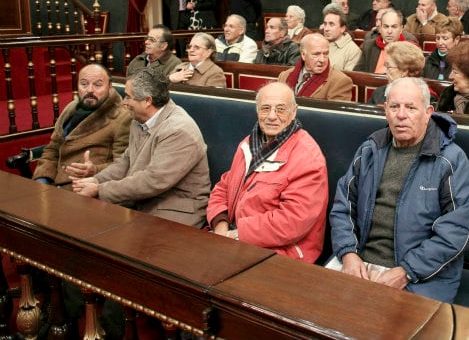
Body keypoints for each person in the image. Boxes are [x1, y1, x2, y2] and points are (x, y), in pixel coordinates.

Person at [329, 77, 469, 303]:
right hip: (357, 262)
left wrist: (406, 271)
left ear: (428, 112)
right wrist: (348, 254)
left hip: (421, 275)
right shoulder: (370, 150)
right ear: (385, 110)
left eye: (410, 107)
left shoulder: (451, 161)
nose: (401, 115)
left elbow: (457, 231)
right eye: (394, 107)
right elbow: (342, 207)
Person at [72, 68, 211, 228]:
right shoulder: (138, 120)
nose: (124, 102)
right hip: (144, 200)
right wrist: (97, 179)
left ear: (147, 101)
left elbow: (153, 180)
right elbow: (125, 162)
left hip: (176, 208)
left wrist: (100, 190)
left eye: (128, 97)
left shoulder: (178, 129)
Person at [207, 82, 328, 263]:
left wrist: (235, 235)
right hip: (232, 236)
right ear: (257, 111)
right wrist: (221, 225)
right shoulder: (248, 144)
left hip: (281, 252)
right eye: (265, 108)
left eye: (280, 109)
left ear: (294, 112)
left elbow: (291, 222)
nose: (272, 116)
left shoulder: (308, 157)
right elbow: (224, 186)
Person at [32, 64, 131, 189]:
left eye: (98, 85)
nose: (90, 90)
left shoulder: (123, 117)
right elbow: (52, 149)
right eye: (84, 84)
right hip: (53, 185)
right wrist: (42, 179)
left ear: (110, 87)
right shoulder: (71, 108)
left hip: (86, 188)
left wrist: (95, 170)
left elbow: (124, 165)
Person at [278, 34, 353, 101]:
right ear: (303, 55)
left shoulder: (340, 81)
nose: (322, 60)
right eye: (316, 54)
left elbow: (335, 115)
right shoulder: (284, 76)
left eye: (325, 54)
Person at [368, 41, 435, 106]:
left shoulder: (426, 97)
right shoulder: (379, 93)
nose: (385, 71)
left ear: (404, 71)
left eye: (389, 67)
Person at [354, 9, 418, 74]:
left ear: (401, 29)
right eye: (386, 27)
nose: (389, 31)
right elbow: (357, 74)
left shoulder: (409, 49)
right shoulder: (369, 46)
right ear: (380, 28)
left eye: (394, 27)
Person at [322, 3, 361, 71]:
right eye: (325, 24)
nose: (326, 29)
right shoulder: (319, 43)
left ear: (342, 28)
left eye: (331, 24)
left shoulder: (353, 51)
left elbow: (347, 79)